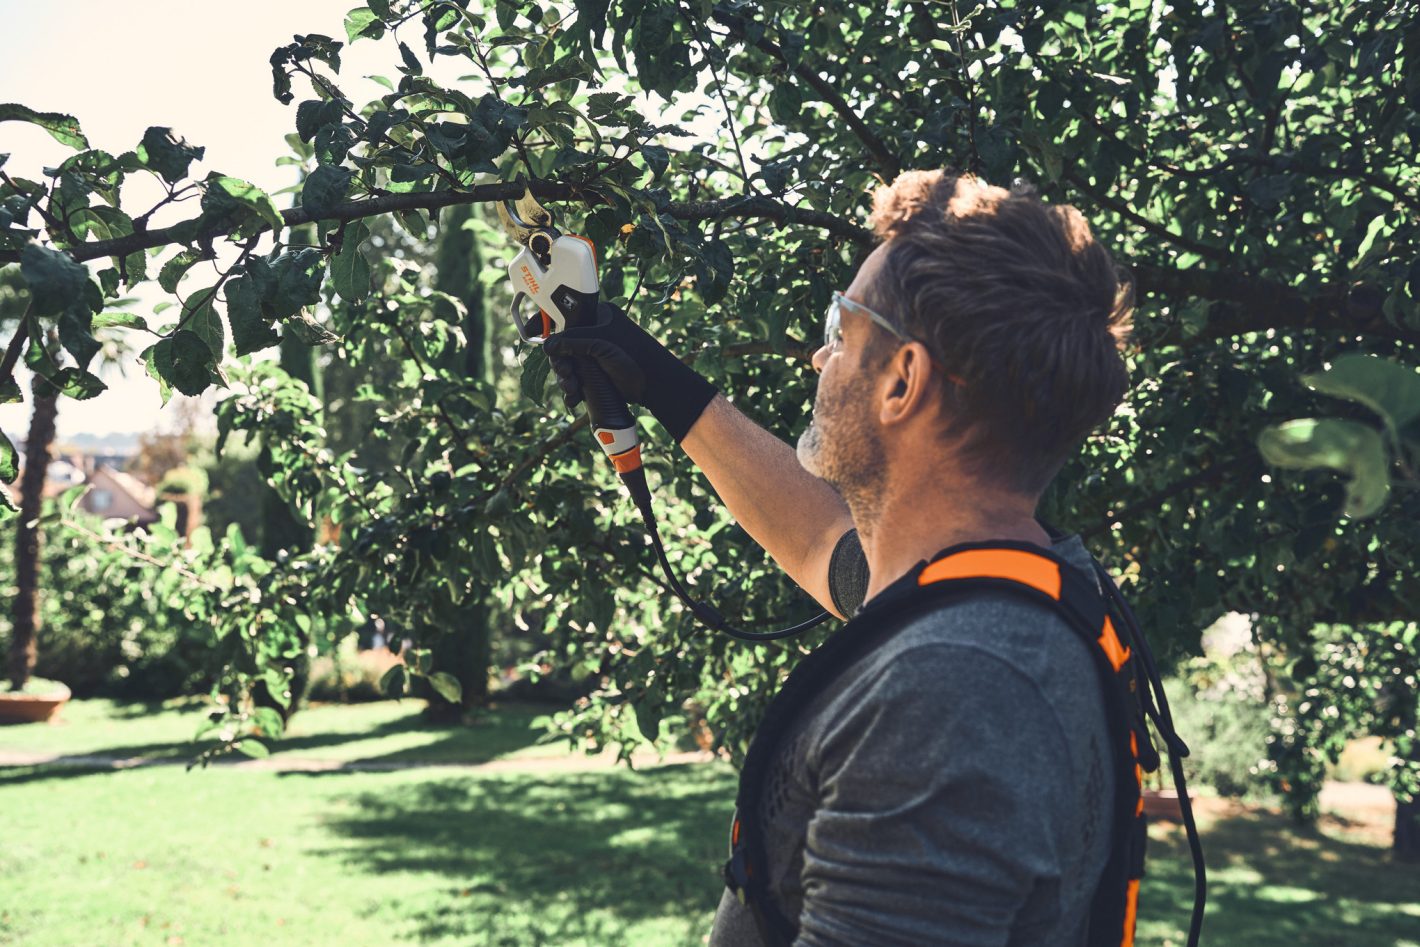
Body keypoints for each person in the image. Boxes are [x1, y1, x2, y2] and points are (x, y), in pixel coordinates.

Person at [544, 169, 1136, 946]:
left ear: (902, 381)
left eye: (842, 327)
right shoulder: (997, 598)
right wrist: (646, 371)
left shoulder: (953, 688)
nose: (819, 359)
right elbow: (823, 543)